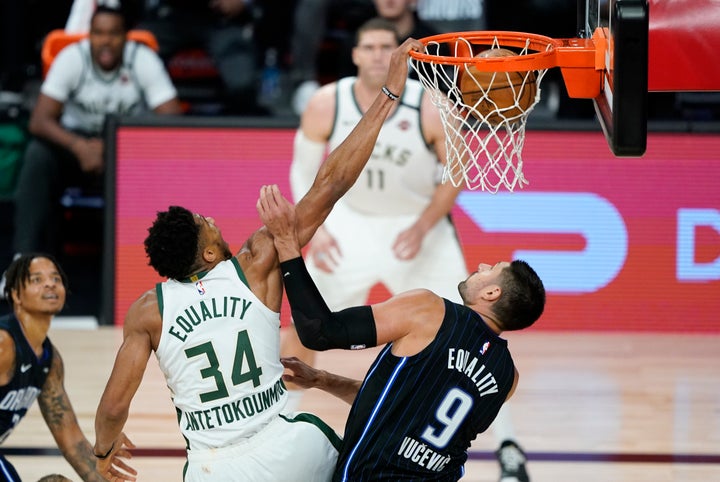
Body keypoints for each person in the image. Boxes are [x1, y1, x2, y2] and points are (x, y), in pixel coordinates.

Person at [92, 37, 424, 481]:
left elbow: (114, 405)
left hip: (216, 467)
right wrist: (387, 98)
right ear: (209, 252)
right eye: (203, 221)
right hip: (290, 447)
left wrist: (103, 451)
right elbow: (330, 186)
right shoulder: (255, 263)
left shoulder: (149, 311)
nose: (210, 216)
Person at [285, 16, 532, 482]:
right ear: (355, 54)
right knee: (305, 330)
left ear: (401, 56)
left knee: (477, 343)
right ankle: (280, 419)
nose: (379, 54)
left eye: (387, 46)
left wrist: (423, 225)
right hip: (351, 226)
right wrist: (318, 229)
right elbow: (301, 172)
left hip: (417, 227)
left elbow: (456, 170)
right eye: (370, 46)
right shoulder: (325, 102)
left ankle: (510, 448)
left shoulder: (430, 104)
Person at [256, 184, 545, 481]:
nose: (482, 265)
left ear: (492, 292)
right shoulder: (508, 378)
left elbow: (320, 331)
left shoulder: (428, 311)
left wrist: (287, 244)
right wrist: (322, 380)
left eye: (492, 268)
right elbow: (401, 407)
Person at [10, 3, 181, 259]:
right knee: (38, 156)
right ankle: (23, 259)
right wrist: (79, 146)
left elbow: (172, 118)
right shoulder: (72, 57)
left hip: (126, 150)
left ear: (125, 36)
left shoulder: (142, 58)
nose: (106, 41)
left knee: (165, 161)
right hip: (76, 144)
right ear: (89, 34)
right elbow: (39, 120)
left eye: (113, 34)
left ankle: (153, 261)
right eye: (99, 33)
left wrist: (116, 146)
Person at [0, 253, 136, 481]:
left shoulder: (49, 361)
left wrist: (105, 476)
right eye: (37, 280)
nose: (49, 284)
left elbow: (73, 443)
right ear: (16, 295)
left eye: (55, 278)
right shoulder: (4, 344)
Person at [138, 0, 267, 115]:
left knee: (242, 84)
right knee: (132, 49)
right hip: (172, 15)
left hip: (223, 19)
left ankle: (236, 135)